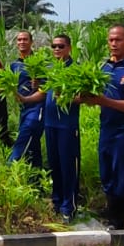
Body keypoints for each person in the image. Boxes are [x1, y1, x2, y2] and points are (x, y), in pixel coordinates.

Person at [81, 24, 124, 230]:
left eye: (118, 40)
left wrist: (104, 102)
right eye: (111, 40)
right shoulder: (104, 68)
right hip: (107, 130)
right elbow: (94, 97)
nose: (114, 44)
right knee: (108, 175)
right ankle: (116, 222)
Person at [33, 34, 81, 221]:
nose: (57, 49)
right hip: (50, 124)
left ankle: (69, 206)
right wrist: (25, 97)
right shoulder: (50, 68)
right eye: (54, 46)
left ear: (69, 48)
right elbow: (43, 93)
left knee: (68, 166)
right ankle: (57, 201)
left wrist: (68, 97)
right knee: (54, 165)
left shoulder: (76, 69)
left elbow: (85, 97)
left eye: (61, 46)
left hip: (67, 126)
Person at [7, 31, 44, 169]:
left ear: (31, 42)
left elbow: (46, 90)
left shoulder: (39, 63)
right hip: (23, 109)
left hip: (37, 109)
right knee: (33, 146)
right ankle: (37, 179)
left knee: (22, 142)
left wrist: (38, 85)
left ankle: (9, 170)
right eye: (19, 39)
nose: (22, 42)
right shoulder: (14, 65)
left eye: (25, 39)